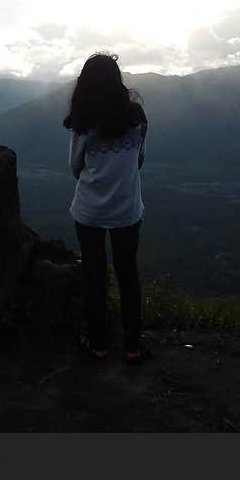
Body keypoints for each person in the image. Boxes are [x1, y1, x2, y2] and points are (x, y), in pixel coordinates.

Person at [64, 52, 148, 364]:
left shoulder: (83, 122)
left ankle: (98, 343)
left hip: (89, 211)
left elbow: (75, 166)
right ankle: (133, 346)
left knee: (94, 276)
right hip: (127, 209)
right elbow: (138, 160)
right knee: (128, 274)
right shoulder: (137, 118)